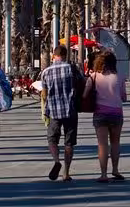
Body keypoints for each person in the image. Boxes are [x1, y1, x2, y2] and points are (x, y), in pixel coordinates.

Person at [41, 46, 84, 181]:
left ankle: (56, 160)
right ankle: (66, 172)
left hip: (53, 110)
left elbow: (44, 93)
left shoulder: (46, 72)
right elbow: (82, 83)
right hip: (70, 109)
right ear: (66, 55)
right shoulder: (72, 69)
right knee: (69, 142)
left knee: (52, 138)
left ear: (54, 55)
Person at [85, 50, 127, 183]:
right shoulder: (120, 76)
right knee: (115, 142)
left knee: (102, 144)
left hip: (100, 113)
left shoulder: (94, 76)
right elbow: (124, 97)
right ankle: (115, 169)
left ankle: (103, 174)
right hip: (116, 113)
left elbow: (85, 95)